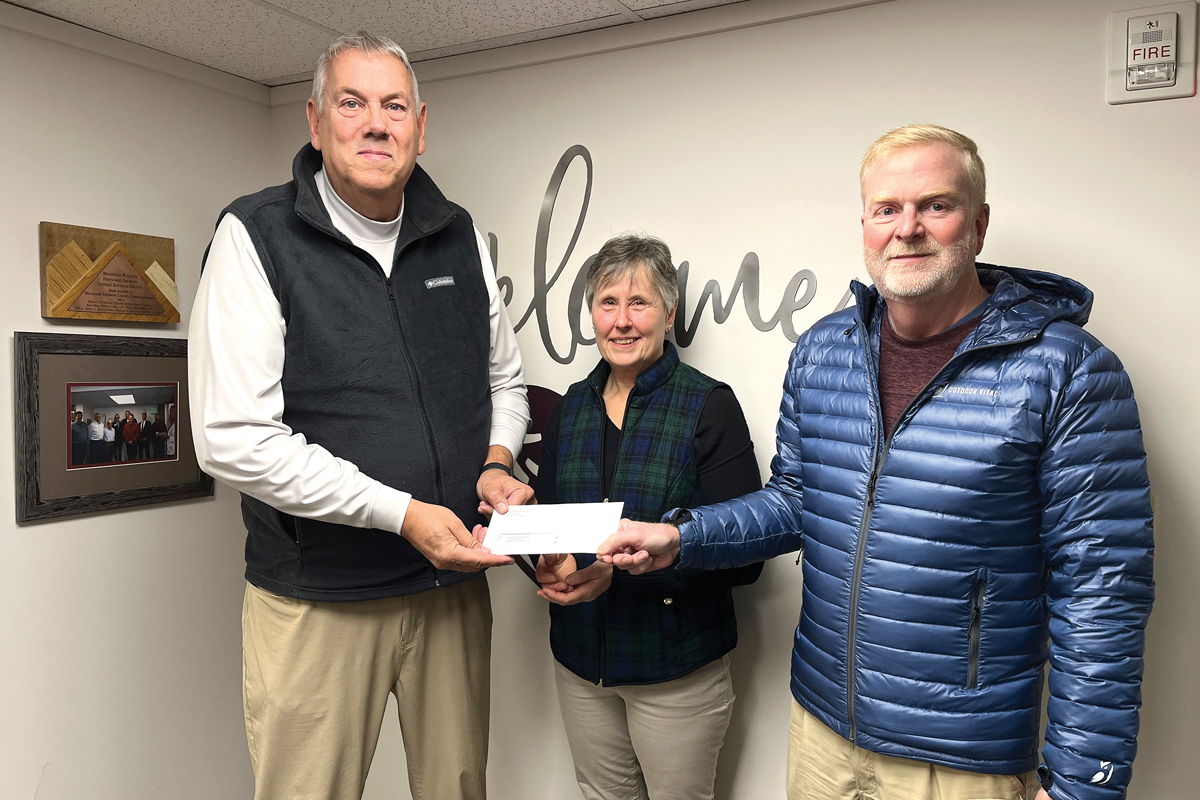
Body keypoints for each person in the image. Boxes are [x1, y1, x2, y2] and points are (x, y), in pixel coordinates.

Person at [601, 125, 1154, 800]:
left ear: (978, 225)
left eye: (936, 206)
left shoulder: (1067, 371)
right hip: (821, 732)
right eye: (887, 209)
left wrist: (1082, 786)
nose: (908, 228)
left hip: (956, 758)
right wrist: (681, 537)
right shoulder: (824, 351)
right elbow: (798, 501)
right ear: (864, 224)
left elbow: (1102, 592)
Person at [189, 31, 531, 800]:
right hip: (319, 601)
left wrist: (498, 461)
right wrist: (400, 512)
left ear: (420, 125)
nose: (376, 123)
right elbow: (231, 440)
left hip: (450, 593)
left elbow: (505, 381)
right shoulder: (256, 236)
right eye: (353, 103)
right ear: (315, 123)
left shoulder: (458, 235)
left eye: (394, 105)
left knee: (459, 788)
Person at [532, 234, 763, 800]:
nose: (622, 321)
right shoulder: (571, 409)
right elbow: (547, 525)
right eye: (608, 303)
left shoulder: (709, 405)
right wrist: (541, 562)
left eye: (640, 303)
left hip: (677, 667)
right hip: (582, 663)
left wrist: (632, 570)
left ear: (670, 312)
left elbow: (747, 556)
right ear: (591, 313)